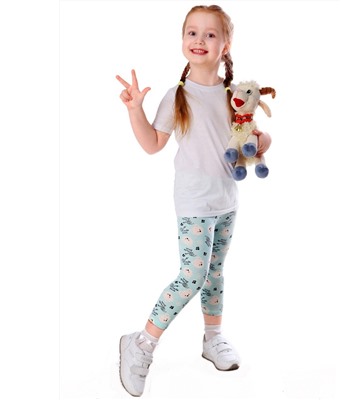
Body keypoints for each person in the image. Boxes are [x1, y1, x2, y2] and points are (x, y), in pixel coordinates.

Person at [116, 4, 271, 397]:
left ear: (225, 46)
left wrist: (262, 141)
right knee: (192, 277)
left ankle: (212, 338)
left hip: (227, 201)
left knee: (214, 273)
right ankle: (141, 343)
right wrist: (135, 110)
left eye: (210, 34)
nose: (200, 40)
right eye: (192, 32)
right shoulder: (177, 96)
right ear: (183, 41)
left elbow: (252, 138)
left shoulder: (234, 96)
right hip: (194, 204)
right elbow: (153, 144)